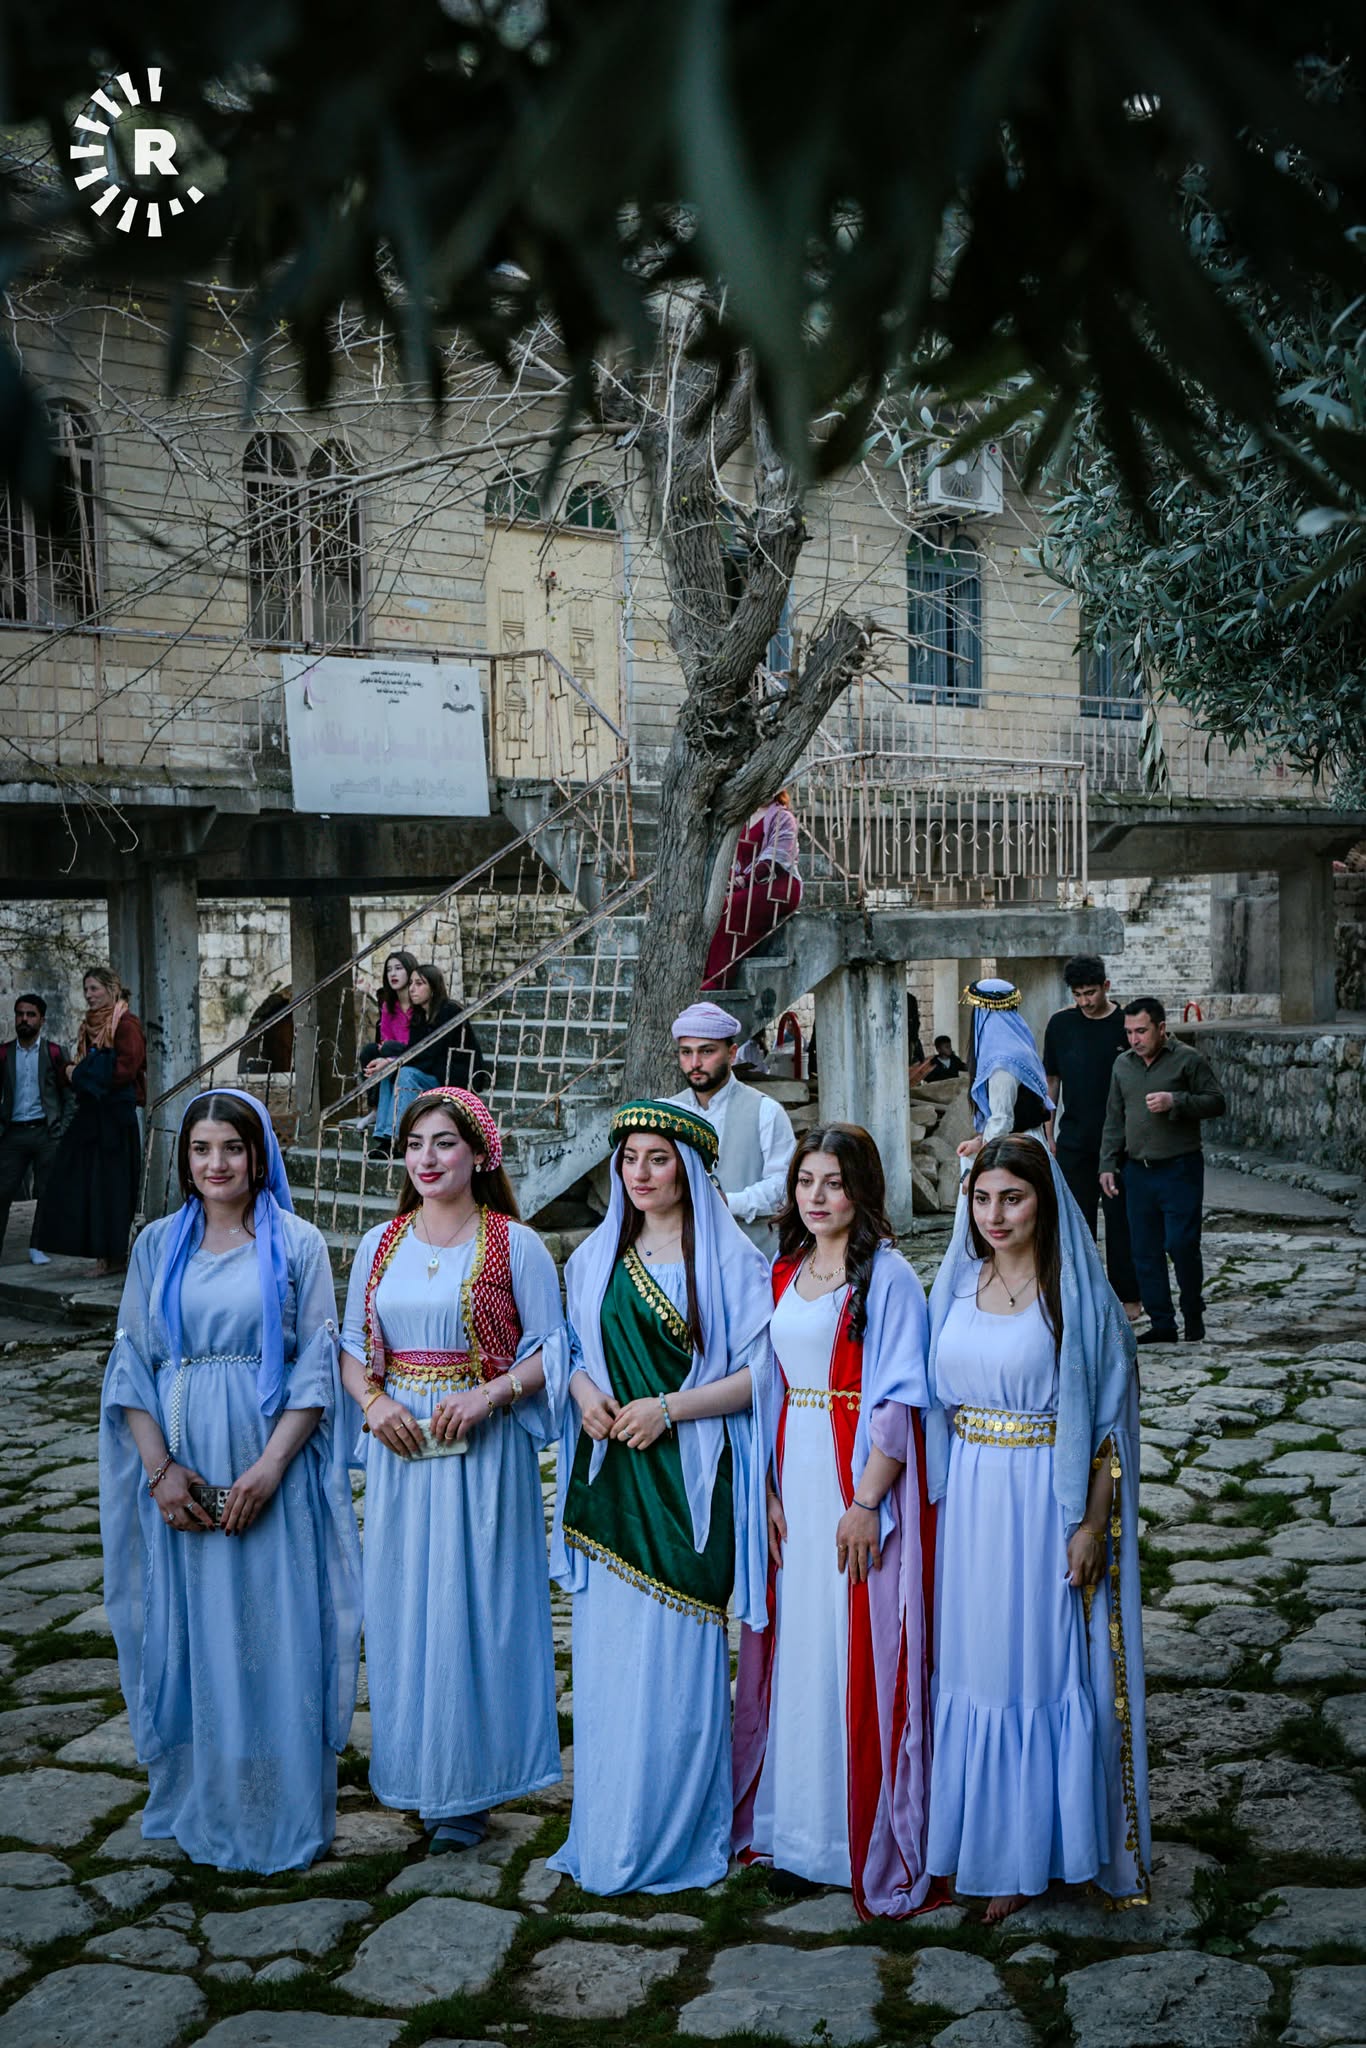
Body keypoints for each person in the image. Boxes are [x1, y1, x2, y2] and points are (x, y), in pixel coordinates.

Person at [99, 1089, 362, 1871]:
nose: (217, 1164)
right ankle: (207, 1794)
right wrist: (160, 1472)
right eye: (201, 1149)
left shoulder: (298, 1243)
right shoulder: (157, 1245)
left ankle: (279, 1805)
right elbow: (132, 1361)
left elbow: (316, 1369)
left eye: (232, 1148)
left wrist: (270, 1468)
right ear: (186, 1160)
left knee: (275, 1627)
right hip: (183, 1458)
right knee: (198, 1628)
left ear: (258, 1156)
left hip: (269, 1457)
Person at [547, 1100, 773, 1894]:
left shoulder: (733, 1264)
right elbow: (570, 1349)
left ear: (692, 1169)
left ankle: (675, 1838)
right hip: (612, 1480)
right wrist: (584, 1396)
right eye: (630, 1158)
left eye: (658, 1158)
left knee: (676, 1669)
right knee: (610, 1665)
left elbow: (761, 1376)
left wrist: (670, 1408)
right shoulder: (595, 1258)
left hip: (690, 1486)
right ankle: (610, 1830)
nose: (640, 1174)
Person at [925, 1135, 1150, 1921]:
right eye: (982, 1198)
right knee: (974, 1668)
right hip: (968, 1506)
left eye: (1012, 1199)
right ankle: (975, 1840)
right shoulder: (956, 1284)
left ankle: (1031, 1855)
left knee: (1033, 1670)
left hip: (1040, 1505)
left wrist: (1091, 1523)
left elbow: (1108, 1428)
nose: (994, 1216)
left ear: (1044, 1204)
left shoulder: (1077, 1300)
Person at [339, 1085, 566, 1849]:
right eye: (414, 1145)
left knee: (476, 1607)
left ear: (479, 1154)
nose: (426, 1159)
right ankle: (419, 1768)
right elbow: (350, 1345)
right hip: (403, 1449)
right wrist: (373, 1403)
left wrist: (490, 1395)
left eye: (443, 1143)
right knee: (406, 1605)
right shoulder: (381, 1243)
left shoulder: (514, 1244)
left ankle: (472, 1786)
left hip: (484, 1451)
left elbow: (553, 1349)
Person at [732, 1124, 942, 1919]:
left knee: (855, 1648)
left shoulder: (887, 1277)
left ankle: (852, 1837)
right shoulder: (785, 1270)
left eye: (833, 1183)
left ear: (862, 1189)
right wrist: (768, 1491)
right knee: (800, 1650)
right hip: (795, 1475)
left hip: (855, 1484)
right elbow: (768, 1385)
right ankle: (795, 1833)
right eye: (805, 1182)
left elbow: (900, 1395)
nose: (816, 1197)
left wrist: (866, 1503)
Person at [1100, 998, 1226, 1345]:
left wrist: (1176, 1101)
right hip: (1137, 1171)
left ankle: (1192, 1310)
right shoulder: (1122, 1065)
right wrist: (1107, 1164)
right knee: (1144, 1250)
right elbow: (1114, 1118)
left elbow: (1217, 1101)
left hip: (1179, 1168)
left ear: (1161, 1028)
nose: (1134, 1039)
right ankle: (1162, 1323)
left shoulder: (1188, 1059)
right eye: (1129, 1032)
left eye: (1141, 1031)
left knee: (1181, 1244)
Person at [1042, 956, 1141, 1324]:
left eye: (1091, 993)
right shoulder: (1061, 1025)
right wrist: (1049, 1130)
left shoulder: (1125, 1025)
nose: (1084, 1001)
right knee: (1075, 1223)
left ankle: (1129, 1297)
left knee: (1121, 1223)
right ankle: (1078, 1294)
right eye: (1078, 994)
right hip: (1074, 1139)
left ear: (1106, 987)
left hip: (1120, 1143)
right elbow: (1052, 1080)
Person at [34, 965, 146, 1275]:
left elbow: (124, 1070)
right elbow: (79, 1069)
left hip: (114, 1120)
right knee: (84, 1184)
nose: (89, 995)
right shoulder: (89, 1026)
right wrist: (74, 1072)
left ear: (111, 989)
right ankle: (101, 1254)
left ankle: (112, 1257)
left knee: (111, 1188)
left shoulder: (126, 1024)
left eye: (94, 988)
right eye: (86, 989)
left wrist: (79, 1074)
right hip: (92, 1116)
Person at [670, 1001, 796, 1256]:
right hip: (683, 1254)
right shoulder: (669, 1112)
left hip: (753, 1256)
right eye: (686, 1052)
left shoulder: (765, 1111)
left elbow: (785, 1185)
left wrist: (730, 1202)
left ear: (732, 1053)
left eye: (706, 1051)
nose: (695, 1063)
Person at [373, 963, 486, 1150]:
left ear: (433, 988)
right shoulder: (419, 1016)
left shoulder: (450, 1011)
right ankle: (384, 1135)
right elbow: (415, 1050)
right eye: (411, 983)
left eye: (419, 983)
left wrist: (391, 1062)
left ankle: (398, 1138)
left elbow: (429, 1053)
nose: (412, 988)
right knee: (388, 1072)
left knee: (405, 1073)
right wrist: (389, 1063)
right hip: (432, 1072)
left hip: (452, 1077)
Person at [702, 791, 803, 991]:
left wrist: (743, 881)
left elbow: (776, 859)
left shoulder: (783, 818)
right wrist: (731, 879)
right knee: (711, 905)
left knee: (729, 907)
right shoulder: (743, 816)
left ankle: (718, 978)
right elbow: (733, 857)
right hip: (747, 883)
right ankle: (702, 973)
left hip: (779, 884)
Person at [0, 993, 72, 1265]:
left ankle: (37, 1247)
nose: (24, 1019)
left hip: (46, 1132)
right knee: (3, 1191)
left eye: (30, 1015)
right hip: (12, 1133)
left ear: (42, 1020)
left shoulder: (54, 1052)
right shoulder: (4, 1053)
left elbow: (70, 1096)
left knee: (47, 1192)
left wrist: (62, 1129)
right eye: (20, 1014)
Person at [956, 978, 1054, 1163]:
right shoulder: (1019, 1049)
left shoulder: (1002, 1062)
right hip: (1021, 1144)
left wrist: (982, 1163)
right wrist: (979, 1141)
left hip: (1016, 1152)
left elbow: (1002, 1121)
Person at [358, 949, 419, 1112]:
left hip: (414, 1051)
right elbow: (385, 1037)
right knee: (369, 1051)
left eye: (398, 968)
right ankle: (375, 1108)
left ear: (410, 971)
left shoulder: (420, 1003)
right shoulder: (388, 1006)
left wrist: (390, 1056)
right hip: (393, 1051)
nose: (393, 974)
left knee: (388, 1048)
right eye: (389, 970)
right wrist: (387, 1053)